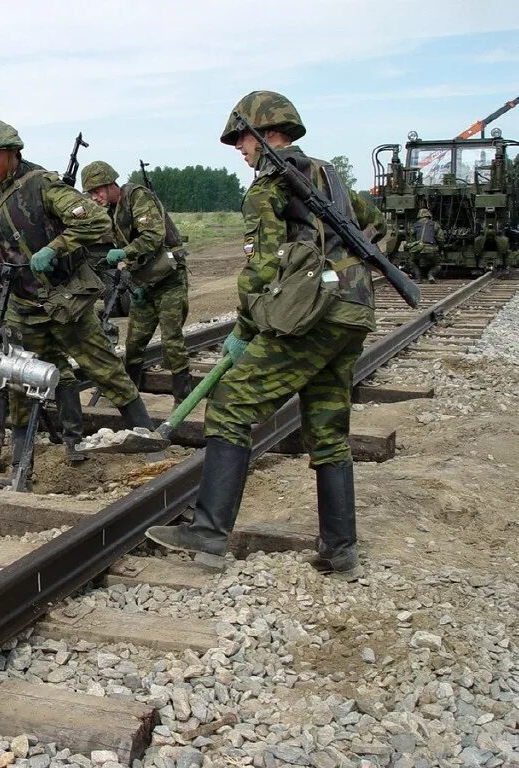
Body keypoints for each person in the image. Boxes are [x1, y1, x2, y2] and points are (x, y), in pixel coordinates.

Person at [145, 91, 375, 580]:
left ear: (265, 133)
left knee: (230, 404)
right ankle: (341, 549)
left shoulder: (268, 185)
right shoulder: (329, 174)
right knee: (328, 427)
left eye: (241, 139)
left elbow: (261, 266)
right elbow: (369, 223)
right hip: (354, 311)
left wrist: (245, 330)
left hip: (310, 316)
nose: (238, 149)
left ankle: (208, 534)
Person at [0, 119, 156, 486]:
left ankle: (152, 445)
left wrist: (54, 247)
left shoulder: (43, 185)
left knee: (103, 367)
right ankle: (21, 469)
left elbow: (96, 222)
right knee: (18, 381)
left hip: (64, 300)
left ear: (12, 151)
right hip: (23, 302)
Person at [81, 160, 193, 403]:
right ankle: (131, 397)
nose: (94, 197)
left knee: (171, 340)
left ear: (111, 184)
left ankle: (183, 398)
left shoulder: (136, 197)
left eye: (97, 190)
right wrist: (136, 283)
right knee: (134, 344)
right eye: (90, 193)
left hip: (170, 280)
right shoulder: (112, 212)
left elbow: (153, 236)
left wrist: (124, 253)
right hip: (146, 284)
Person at [407, 208, 444, 283]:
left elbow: (411, 240)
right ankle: (431, 275)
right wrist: (441, 248)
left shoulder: (414, 225)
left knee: (411, 261)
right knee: (437, 264)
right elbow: (441, 239)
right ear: (429, 215)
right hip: (431, 249)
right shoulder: (435, 225)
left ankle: (418, 278)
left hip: (418, 250)